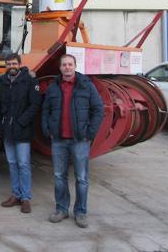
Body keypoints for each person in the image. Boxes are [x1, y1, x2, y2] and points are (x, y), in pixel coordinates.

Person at [42, 54, 104, 228]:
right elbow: (46, 110)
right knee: (58, 177)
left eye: (70, 64)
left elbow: (98, 110)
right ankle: (61, 209)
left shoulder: (86, 86)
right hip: (59, 140)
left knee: (82, 178)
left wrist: (90, 133)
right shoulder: (54, 87)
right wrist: (48, 130)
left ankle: (80, 212)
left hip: (80, 140)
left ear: (75, 66)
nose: (67, 67)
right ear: (60, 68)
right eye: (64, 65)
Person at [0, 53, 42, 213]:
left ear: (19, 64)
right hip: (7, 130)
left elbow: (35, 104)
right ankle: (15, 195)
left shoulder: (30, 81)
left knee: (23, 164)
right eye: (8, 64)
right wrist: (0, 123)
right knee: (12, 163)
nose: (11, 66)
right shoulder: (1, 82)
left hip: (22, 129)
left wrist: (21, 122)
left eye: (14, 64)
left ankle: (26, 198)